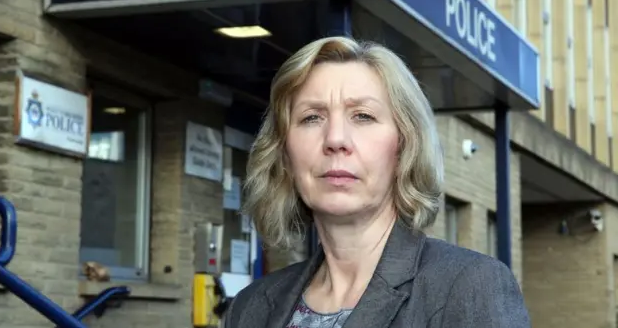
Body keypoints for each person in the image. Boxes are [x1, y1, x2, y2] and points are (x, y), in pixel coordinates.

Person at [225, 36, 531, 328]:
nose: (335, 139)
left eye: (362, 116)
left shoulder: (470, 287)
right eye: (311, 118)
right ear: (285, 153)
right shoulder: (249, 307)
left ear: (404, 145)